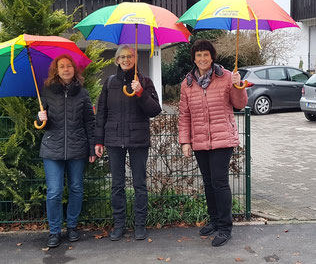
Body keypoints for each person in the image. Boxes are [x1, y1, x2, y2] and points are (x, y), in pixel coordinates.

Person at [178, 39, 248, 247]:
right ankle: (215, 221)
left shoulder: (226, 77)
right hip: (199, 140)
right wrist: (185, 141)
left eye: (205, 55)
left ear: (212, 56)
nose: (202, 59)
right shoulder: (188, 83)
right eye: (198, 55)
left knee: (219, 182)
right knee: (208, 183)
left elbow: (240, 104)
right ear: (194, 58)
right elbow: (184, 114)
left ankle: (225, 227)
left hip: (222, 139)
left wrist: (238, 85)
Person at [94, 45, 162, 241]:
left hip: (138, 140)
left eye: (130, 56)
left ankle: (140, 224)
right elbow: (102, 114)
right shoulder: (109, 83)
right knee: (117, 185)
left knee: (140, 184)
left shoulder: (145, 82)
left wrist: (141, 92)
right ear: (117, 60)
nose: (126, 60)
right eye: (122, 57)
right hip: (114, 140)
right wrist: (99, 140)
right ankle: (119, 225)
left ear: (136, 59)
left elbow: (154, 110)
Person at [37, 54, 96, 248]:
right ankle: (54, 231)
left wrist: (91, 149)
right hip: (52, 148)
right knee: (54, 192)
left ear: (74, 69)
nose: (65, 69)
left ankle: (71, 226)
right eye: (61, 66)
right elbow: (41, 125)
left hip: (77, 148)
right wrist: (40, 118)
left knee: (77, 188)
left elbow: (89, 122)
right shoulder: (46, 91)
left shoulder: (83, 93)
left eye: (69, 66)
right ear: (56, 70)